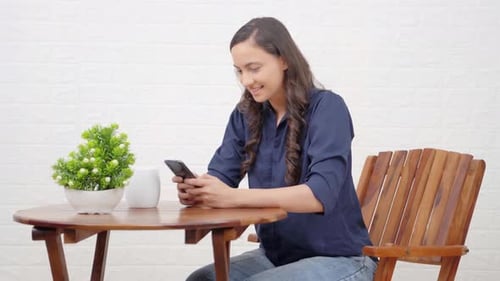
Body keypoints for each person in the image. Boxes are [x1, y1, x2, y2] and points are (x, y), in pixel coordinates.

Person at [173, 17, 376, 281]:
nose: (246, 80)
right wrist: (200, 191)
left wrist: (230, 197)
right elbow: (221, 178)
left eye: (254, 68)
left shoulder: (327, 108)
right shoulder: (246, 115)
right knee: (201, 280)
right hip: (276, 256)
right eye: (239, 71)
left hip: (341, 259)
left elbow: (319, 195)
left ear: (284, 60)